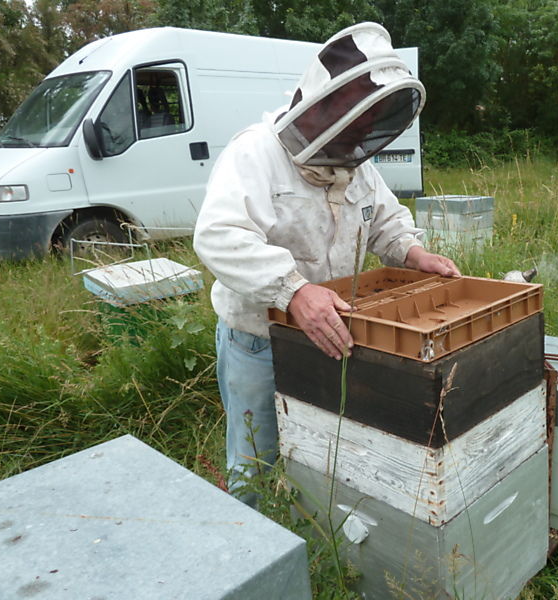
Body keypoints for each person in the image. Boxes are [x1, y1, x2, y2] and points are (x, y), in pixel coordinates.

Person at [193, 22, 460, 506]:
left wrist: (415, 253)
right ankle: (252, 538)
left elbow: (384, 223)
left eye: (367, 125)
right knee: (256, 461)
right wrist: (293, 290)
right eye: (356, 122)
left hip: (330, 336)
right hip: (259, 340)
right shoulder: (255, 153)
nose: (360, 136)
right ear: (324, 106)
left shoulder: (356, 164)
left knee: (320, 453)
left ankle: (311, 533)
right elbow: (219, 235)